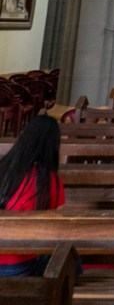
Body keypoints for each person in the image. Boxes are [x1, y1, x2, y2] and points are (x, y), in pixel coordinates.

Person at [0, 115, 65, 276]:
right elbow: (55, 226)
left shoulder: (3, 168)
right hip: (17, 265)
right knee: (69, 261)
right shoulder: (48, 180)